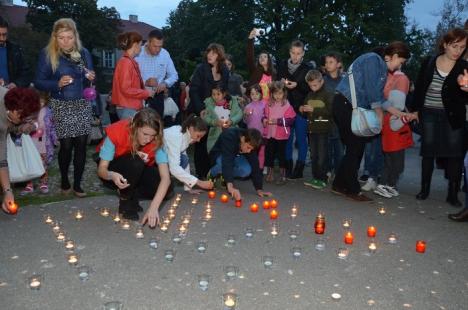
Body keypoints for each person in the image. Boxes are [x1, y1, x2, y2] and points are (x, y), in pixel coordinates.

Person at [332, 41, 410, 202]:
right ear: (394, 56)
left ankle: (339, 184)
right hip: (346, 105)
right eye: (400, 62)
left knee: (355, 148)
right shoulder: (373, 60)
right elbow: (372, 91)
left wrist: (396, 112)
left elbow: (380, 97)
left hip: (348, 105)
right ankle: (352, 189)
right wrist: (379, 112)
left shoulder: (380, 67)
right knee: (355, 148)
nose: (398, 67)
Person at [35, 18, 95, 197]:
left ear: (75, 36)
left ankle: (77, 184)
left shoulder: (83, 53)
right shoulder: (47, 54)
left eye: (69, 37)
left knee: (82, 145)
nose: (66, 41)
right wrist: (57, 84)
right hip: (61, 104)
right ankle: (64, 180)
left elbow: (89, 77)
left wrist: (91, 77)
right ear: (55, 37)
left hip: (82, 104)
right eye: (61, 38)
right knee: (67, 146)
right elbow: (39, 81)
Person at [411, 28, 468, 206]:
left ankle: (452, 193)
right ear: (445, 44)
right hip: (428, 112)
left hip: (452, 115)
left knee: (455, 154)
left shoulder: (464, 68)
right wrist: (414, 110)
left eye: (462, 47)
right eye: (455, 46)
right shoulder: (429, 62)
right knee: (428, 151)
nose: (458, 51)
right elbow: (420, 87)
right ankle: (424, 189)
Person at [97, 108, 172, 226]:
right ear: (135, 127)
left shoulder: (157, 141)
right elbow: (101, 170)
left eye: (152, 135)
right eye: (145, 134)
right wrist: (112, 175)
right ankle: (125, 198)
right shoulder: (118, 131)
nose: (148, 139)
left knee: (167, 188)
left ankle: (133, 193)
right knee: (136, 162)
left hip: (138, 170)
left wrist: (154, 208)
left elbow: (165, 178)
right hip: (114, 170)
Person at [374, 57, 417, 198]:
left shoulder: (391, 108)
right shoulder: (395, 109)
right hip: (395, 140)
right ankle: (383, 185)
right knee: (395, 165)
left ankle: (390, 185)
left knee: (391, 163)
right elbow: (396, 123)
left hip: (393, 139)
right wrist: (408, 116)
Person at [189, 43, 229, 179]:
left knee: (216, 143)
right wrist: (201, 109)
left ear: (219, 55)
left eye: (213, 53)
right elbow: (193, 91)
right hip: (202, 111)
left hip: (218, 112)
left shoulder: (225, 71)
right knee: (201, 142)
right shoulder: (201, 69)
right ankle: (201, 175)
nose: (209, 55)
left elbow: (226, 92)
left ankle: (214, 175)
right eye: (208, 52)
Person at [1, 87, 41, 213]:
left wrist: (7, 192)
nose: (24, 120)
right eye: (22, 118)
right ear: (13, 110)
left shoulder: (12, 99)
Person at [277, 40, 310, 179]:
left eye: (299, 53)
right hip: (285, 109)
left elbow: (309, 89)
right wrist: (283, 84)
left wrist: (297, 85)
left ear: (303, 54)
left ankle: (300, 167)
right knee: (287, 139)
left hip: (301, 108)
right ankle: (288, 166)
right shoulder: (282, 65)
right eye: (293, 53)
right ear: (290, 52)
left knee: (302, 139)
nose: (295, 56)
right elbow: (277, 84)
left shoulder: (307, 68)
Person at [208, 127, 271, 200]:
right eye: (248, 147)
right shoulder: (229, 136)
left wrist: (259, 189)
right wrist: (230, 185)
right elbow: (227, 161)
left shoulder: (250, 140)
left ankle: (224, 176)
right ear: (243, 139)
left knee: (246, 170)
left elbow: (255, 163)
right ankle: (212, 173)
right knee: (222, 164)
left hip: (235, 157)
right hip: (220, 155)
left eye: (251, 149)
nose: (249, 151)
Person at [300, 70, 334, 190]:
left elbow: (331, 111)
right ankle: (316, 177)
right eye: (310, 85)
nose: (313, 88)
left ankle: (323, 178)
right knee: (314, 155)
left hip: (324, 130)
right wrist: (302, 110)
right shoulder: (309, 95)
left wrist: (313, 110)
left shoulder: (328, 94)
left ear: (322, 81)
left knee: (322, 156)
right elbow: (306, 112)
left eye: (315, 85)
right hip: (311, 130)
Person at [163, 115, 214, 194]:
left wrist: (189, 188)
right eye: (198, 136)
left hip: (162, 159)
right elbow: (174, 167)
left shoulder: (186, 136)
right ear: (191, 128)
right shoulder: (177, 136)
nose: (199, 140)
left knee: (184, 159)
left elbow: (185, 161)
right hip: (151, 160)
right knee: (165, 192)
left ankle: (164, 179)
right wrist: (199, 182)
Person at [136, 28, 178, 119]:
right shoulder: (138, 53)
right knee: (140, 125)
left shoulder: (165, 54)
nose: (158, 50)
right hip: (140, 95)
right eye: (155, 46)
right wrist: (145, 82)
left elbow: (174, 75)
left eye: (160, 46)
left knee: (157, 125)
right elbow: (130, 79)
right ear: (148, 42)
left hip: (158, 96)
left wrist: (165, 83)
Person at [21, 91, 58, 195]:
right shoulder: (28, 112)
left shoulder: (48, 112)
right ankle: (29, 185)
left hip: (43, 143)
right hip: (30, 143)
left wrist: (55, 139)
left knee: (43, 164)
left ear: (45, 101)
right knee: (28, 163)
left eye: (42, 101)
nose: (39, 103)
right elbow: (22, 125)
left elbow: (52, 127)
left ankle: (43, 183)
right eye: (37, 101)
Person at [112, 31, 154, 120]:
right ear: (135, 45)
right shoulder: (126, 62)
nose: (141, 48)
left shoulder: (128, 61)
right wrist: (146, 93)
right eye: (140, 44)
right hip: (128, 107)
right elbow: (126, 89)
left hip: (129, 107)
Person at [263, 81, 296, 185]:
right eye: (275, 93)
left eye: (280, 93)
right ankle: (270, 172)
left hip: (282, 135)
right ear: (271, 93)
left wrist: (278, 121)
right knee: (269, 154)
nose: (278, 96)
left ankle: (283, 175)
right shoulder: (269, 104)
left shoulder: (287, 106)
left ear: (284, 93)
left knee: (282, 155)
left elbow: (291, 120)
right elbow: (264, 115)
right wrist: (264, 119)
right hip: (270, 134)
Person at [322, 52, 344, 178]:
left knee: (339, 149)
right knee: (326, 147)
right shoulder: (323, 80)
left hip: (340, 121)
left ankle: (339, 172)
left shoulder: (344, 80)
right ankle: (328, 170)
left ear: (339, 64)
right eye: (326, 62)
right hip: (326, 119)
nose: (327, 65)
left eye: (331, 62)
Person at [202, 85, 243, 153]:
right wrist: (214, 122)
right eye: (213, 94)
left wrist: (232, 121)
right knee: (216, 152)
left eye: (218, 94)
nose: (216, 96)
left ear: (224, 94)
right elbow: (206, 117)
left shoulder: (232, 103)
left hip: (231, 133)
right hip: (215, 134)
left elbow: (239, 114)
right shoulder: (210, 104)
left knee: (230, 151)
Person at [246, 28, 276, 100]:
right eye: (260, 57)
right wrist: (250, 39)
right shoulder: (255, 70)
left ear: (269, 60)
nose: (262, 58)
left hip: (269, 104)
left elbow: (276, 90)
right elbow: (250, 58)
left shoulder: (273, 73)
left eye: (265, 57)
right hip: (256, 103)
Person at [0, 16, 29, 88]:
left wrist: (16, 84)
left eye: (4, 34)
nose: (2, 38)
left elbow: (25, 74)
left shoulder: (15, 49)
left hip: (11, 92)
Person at [244, 84, 266, 170]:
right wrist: (246, 115)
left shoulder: (264, 105)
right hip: (251, 134)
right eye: (252, 94)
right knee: (251, 151)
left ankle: (260, 168)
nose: (254, 96)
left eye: (256, 94)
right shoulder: (247, 107)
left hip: (262, 133)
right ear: (250, 95)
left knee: (262, 151)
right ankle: (252, 168)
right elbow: (245, 121)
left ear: (260, 94)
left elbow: (267, 118)